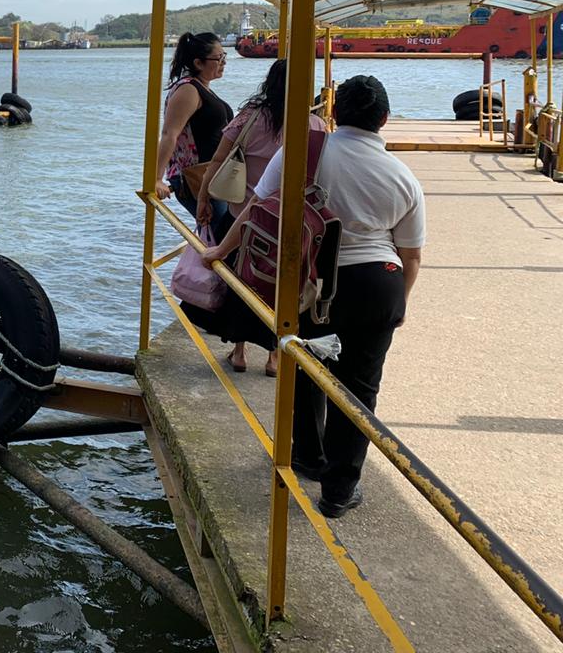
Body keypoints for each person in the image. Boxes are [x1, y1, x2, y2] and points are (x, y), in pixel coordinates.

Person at [204, 75, 424, 518]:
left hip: (314, 282)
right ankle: (339, 491)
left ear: (335, 113)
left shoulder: (303, 150)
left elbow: (254, 208)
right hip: (378, 282)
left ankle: (306, 456)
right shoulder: (403, 176)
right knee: (360, 386)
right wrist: (400, 302)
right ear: (384, 119)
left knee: (307, 365)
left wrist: (219, 252)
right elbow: (411, 253)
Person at [196, 59, 327, 375]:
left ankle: (239, 353)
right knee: (281, 288)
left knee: (242, 284)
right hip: (289, 221)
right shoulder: (314, 125)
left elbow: (218, 159)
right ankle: (274, 358)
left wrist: (203, 197)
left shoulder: (249, 117)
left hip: (245, 218)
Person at [153, 32, 233, 237]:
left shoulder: (203, 88)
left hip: (213, 176)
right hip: (196, 178)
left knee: (220, 236)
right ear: (198, 63)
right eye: (218, 59)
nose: (223, 63)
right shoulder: (188, 90)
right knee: (219, 235)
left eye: (224, 56)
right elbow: (170, 133)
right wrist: (156, 179)